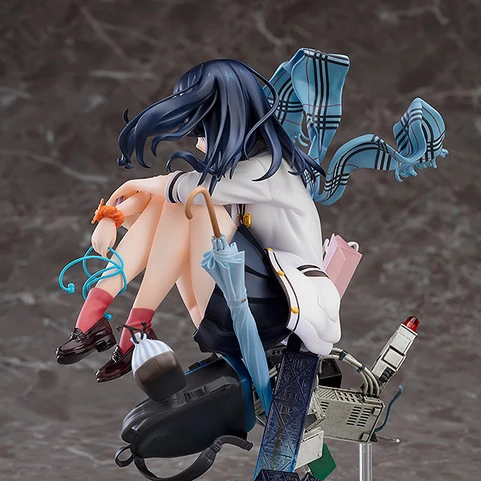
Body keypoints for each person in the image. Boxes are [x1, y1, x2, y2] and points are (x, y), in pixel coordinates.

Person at [56, 58, 342, 381]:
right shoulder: (242, 172)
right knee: (179, 200)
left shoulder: (270, 171)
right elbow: (159, 200)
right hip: (230, 307)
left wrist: (128, 186)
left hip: (273, 317)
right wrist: (112, 215)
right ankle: (124, 323)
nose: (195, 140)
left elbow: (186, 189)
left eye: (199, 127)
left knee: (191, 200)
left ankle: (117, 321)